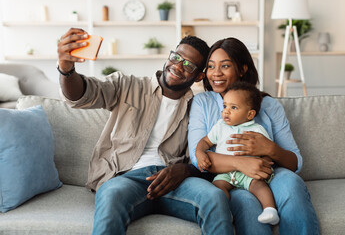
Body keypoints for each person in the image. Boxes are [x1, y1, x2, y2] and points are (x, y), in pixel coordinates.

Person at [57, 28, 234, 235]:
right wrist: (66, 69)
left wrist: (184, 171)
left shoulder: (197, 106)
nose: (177, 66)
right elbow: (82, 94)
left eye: (188, 65)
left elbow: (202, 156)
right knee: (112, 195)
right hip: (125, 179)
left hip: (174, 182)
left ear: (198, 76)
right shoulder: (127, 85)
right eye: (176, 57)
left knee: (215, 198)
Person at [188, 37, 320, 234]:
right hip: (228, 177)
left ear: (242, 69)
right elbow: (198, 158)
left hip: (267, 173)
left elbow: (294, 162)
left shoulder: (268, 105)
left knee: (292, 183)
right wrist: (242, 163)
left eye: (225, 66)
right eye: (211, 66)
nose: (216, 73)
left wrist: (269, 149)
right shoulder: (202, 103)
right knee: (246, 201)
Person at [196, 81, 279, 225]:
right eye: (225, 106)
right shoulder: (220, 126)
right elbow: (205, 141)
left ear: (250, 114)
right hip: (226, 172)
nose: (226, 111)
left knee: (260, 186)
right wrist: (200, 152)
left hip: (249, 173)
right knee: (217, 188)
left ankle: (270, 210)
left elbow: (267, 150)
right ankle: (225, 212)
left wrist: (265, 161)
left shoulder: (257, 129)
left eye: (233, 107)